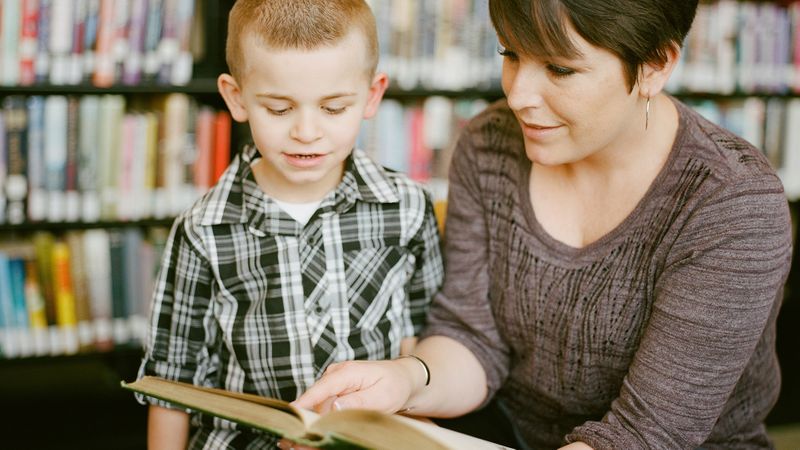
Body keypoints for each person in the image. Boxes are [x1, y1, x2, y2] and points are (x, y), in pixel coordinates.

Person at [293, 0, 794, 449]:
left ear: (654, 66)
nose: (518, 96)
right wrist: (405, 380)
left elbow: (645, 434)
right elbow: (472, 339)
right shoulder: (489, 145)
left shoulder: (731, 203)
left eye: (559, 68)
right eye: (510, 54)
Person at [135, 0, 444, 448]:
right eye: (279, 109)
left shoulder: (409, 207)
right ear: (236, 97)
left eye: (333, 108)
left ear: (373, 95)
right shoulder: (203, 229)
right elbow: (170, 378)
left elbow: (421, 338)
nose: (306, 131)